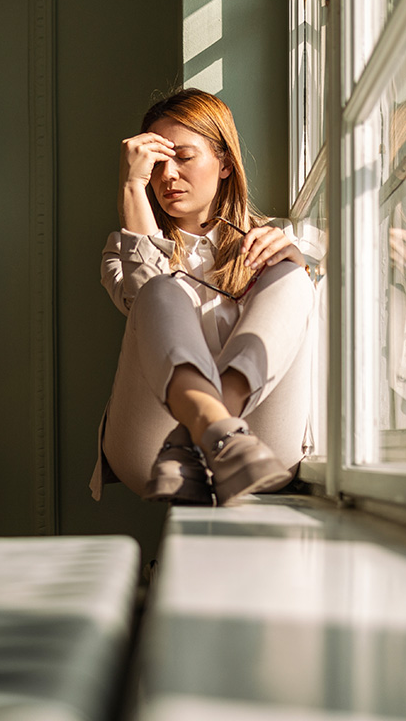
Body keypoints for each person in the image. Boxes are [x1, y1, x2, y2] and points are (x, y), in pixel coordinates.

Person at [90, 88, 315, 506]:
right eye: (156, 164)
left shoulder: (278, 239)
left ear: (225, 162)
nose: (168, 175)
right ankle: (212, 428)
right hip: (153, 452)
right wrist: (131, 189)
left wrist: (300, 265)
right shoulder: (122, 248)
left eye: (183, 157)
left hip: (261, 445)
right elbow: (141, 300)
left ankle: (210, 431)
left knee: (291, 275)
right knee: (160, 289)